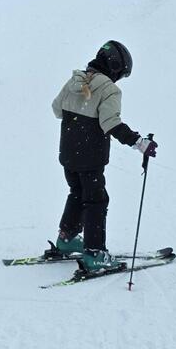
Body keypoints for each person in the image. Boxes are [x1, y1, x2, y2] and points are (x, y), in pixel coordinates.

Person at [49, 40, 157, 274]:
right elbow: (111, 124)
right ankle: (95, 253)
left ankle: (66, 239)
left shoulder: (75, 80)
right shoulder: (109, 89)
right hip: (90, 158)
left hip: (68, 155)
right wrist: (140, 142)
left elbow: (57, 109)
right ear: (116, 67)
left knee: (77, 193)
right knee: (96, 201)